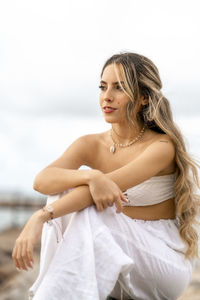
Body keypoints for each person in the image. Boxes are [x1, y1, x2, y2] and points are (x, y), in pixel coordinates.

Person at [12, 52, 200, 300]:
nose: (106, 97)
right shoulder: (90, 143)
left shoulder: (162, 146)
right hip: (111, 247)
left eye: (119, 88)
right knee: (66, 190)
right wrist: (92, 177)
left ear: (144, 97)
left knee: (83, 207)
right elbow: (42, 180)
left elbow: (87, 199)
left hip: (162, 260)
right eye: (103, 87)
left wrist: (41, 216)